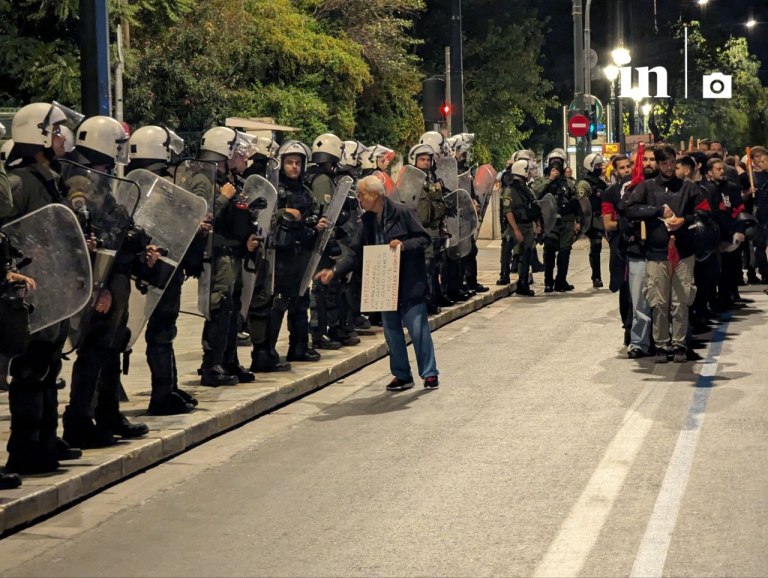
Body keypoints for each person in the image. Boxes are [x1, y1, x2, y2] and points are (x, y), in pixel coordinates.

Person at [3, 102, 82, 472]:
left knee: (50, 364)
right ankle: (25, 447)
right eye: (53, 131)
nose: (60, 138)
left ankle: (47, 440)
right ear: (37, 135)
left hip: (53, 287)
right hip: (31, 291)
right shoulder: (20, 182)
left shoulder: (51, 177)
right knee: (31, 368)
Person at [315, 176, 439, 391]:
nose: (360, 199)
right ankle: (402, 375)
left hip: (409, 282)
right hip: (383, 283)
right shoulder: (368, 222)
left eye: (362, 194)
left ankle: (429, 374)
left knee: (418, 330)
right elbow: (355, 253)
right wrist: (334, 272)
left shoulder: (402, 212)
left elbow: (424, 239)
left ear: (375, 195)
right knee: (391, 332)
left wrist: (403, 245)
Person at [126, 125, 199, 415]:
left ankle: (168, 387)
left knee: (166, 329)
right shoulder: (151, 187)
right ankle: (161, 393)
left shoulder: (139, 183)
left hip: (162, 268)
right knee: (160, 331)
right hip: (151, 270)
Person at [623, 144, 711, 363]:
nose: (669, 167)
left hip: (683, 252)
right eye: (665, 163)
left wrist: (685, 220)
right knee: (659, 302)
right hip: (655, 253)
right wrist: (656, 211)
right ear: (659, 164)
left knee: (681, 301)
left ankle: (680, 343)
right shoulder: (646, 187)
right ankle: (661, 344)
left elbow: (705, 211)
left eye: (672, 163)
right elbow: (628, 208)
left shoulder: (688, 188)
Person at [533, 149, 580, 292]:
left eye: (559, 162)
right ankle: (548, 281)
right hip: (549, 221)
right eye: (553, 162)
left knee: (565, 251)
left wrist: (577, 221)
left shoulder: (569, 183)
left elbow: (576, 202)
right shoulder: (542, 181)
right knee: (549, 251)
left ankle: (561, 281)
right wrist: (550, 180)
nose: (556, 165)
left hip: (566, 221)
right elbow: (536, 194)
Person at [501, 159, 541, 296]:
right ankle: (504, 275)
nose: (530, 173)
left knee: (527, 253)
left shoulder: (526, 189)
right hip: (515, 225)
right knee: (507, 247)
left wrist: (536, 224)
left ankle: (522, 283)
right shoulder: (510, 190)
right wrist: (516, 230)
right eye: (528, 171)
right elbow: (508, 211)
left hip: (527, 225)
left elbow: (533, 206)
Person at [576, 153, 607, 288]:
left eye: (601, 165)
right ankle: (596, 277)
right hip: (593, 219)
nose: (600, 168)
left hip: (604, 217)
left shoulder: (601, 183)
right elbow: (581, 202)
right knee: (596, 247)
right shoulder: (584, 184)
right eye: (598, 166)